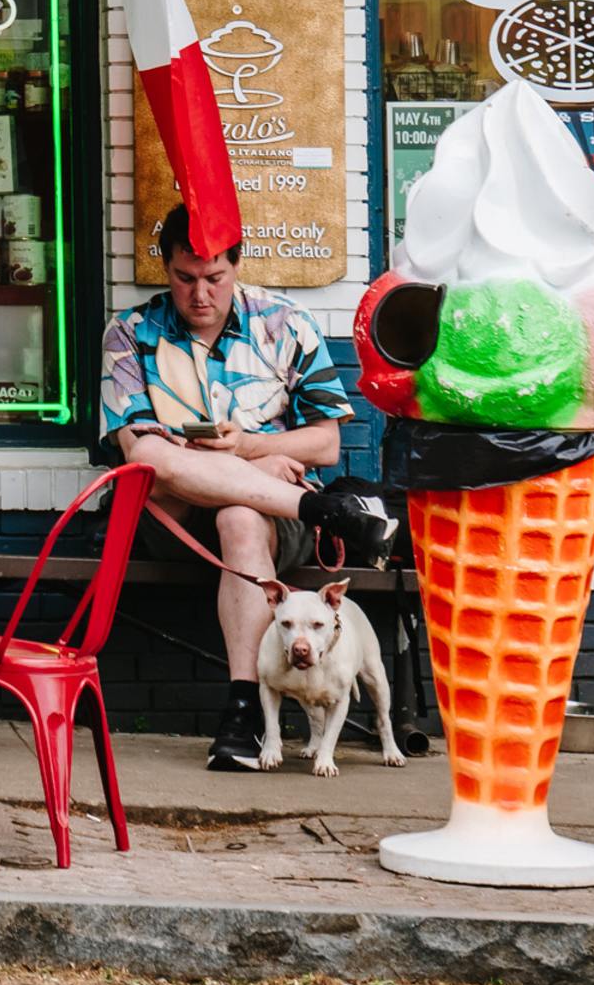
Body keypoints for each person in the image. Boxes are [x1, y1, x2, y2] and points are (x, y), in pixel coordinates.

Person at [100, 203, 393, 770]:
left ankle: (241, 709)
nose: (200, 294)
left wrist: (249, 450)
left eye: (215, 278)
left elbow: (326, 445)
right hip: (170, 517)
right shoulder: (129, 334)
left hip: (265, 528)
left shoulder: (284, 323)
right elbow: (141, 455)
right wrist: (258, 471)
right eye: (185, 279)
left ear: (237, 265)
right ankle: (324, 508)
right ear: (166, 270)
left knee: (238, 515)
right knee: (156, 456)